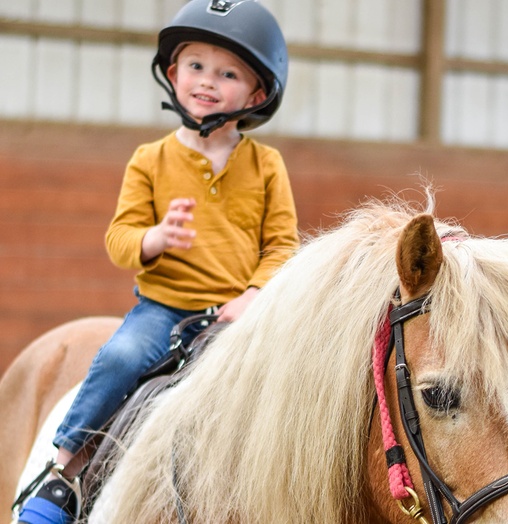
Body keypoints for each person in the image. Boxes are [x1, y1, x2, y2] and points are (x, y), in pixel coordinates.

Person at [16, 1, 299, 522]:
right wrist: (155, 239)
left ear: (257, 94)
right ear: (173, 74)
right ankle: (63, 474)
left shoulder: (266, 165)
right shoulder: (150, 159)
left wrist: (253, 296)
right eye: (195, 66)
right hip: (163, 310)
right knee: (120, 359)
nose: (207, 81)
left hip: (239, 315)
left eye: (228, 72)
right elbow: (119, 238)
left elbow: (281, 245)